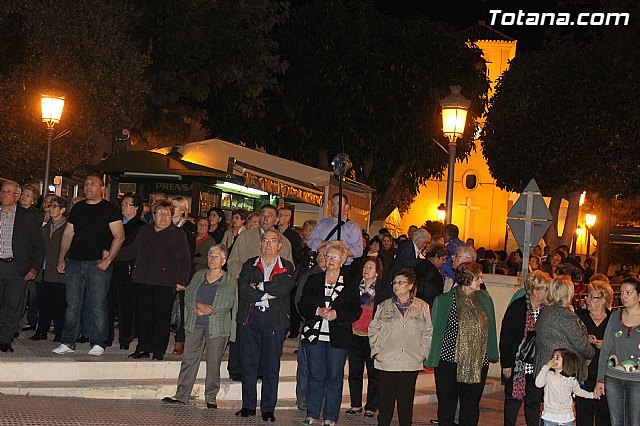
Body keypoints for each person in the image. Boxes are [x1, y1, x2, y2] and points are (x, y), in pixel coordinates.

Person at [53, 176, 124, 356]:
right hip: (75, 262)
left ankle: (98, 342)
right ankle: (68, 341)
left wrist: (108, 260)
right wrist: (61, 258)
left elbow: (119, 236)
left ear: (101, 188)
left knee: (98, 303)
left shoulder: (110, 209)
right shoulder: (78, 208)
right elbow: (68, 234)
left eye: (92, 184)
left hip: (97, 264)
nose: (88, 186)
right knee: (72, 303)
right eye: (86, 184)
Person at [162, 244, 237, 409]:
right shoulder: (199, 275)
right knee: (189, 359)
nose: (211, 259)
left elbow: (227, 301)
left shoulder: (229, 280)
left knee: (213, 361)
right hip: (195, 322)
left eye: (215, 256)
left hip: (217, 326)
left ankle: (211, 397)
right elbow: (188, 294)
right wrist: (199, 305)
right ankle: (182, 395)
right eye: (210, 255)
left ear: (223, 260)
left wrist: (209, 311)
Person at [225, 204, 293, 383]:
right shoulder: (245, 237)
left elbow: (288, 272)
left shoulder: (284, 243)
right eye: (262, 214)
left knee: (268, 339)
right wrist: (244, 282)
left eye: (270, 215)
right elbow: (233, 262)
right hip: (246, 294)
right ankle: (237, 369)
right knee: (240, 330)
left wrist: (267, 287)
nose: (265, 218)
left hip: (272, 303)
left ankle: (262, 370)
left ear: (276, 219)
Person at [426, 262, 498, 426]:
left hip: (477, 362)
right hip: (448, 362)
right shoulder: (444, 301)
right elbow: (435, 331)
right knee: (446, 407)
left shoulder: (485, 299)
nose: (481, 281)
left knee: (470, 408)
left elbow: (491, 328)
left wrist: (492, 352)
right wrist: (430, 356)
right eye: (478, 277)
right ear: (467, 279)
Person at [118, 200, 192, 360]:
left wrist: (182, 281)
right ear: (153, 216)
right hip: (143, 279)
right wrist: (112, 255)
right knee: (143, 315)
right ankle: (143, 347)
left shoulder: (178, 234)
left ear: (172, 216)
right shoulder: (145, 231)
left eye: (167, 214)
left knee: (162, 317)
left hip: (165, 282)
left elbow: (185, 260)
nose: (163, 217)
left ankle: (158, 350)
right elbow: (131, 251)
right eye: (160, 213)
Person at [235, 229, 296, 422]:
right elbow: (244, 290)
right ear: (260, 244)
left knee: (271, 366)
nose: (268, 244)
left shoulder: (286, 267)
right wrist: (267, 294)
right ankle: (248, 406)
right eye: (265, 240)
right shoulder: (250, 264)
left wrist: (259, 286)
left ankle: (268, 408)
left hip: (274, 321)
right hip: (250, 320)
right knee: (248, 364)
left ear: (279, 245)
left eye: (273, 241)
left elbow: (284, 288)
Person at [298, 240, 361, 426]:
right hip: (315, 335)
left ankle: (330, 417)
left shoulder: (349, 282)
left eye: (335, 256)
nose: (331, 260)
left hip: (338, 337)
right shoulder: (314, 280)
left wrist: (337, 314)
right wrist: (317, 311)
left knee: (334, 377)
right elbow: (302, 305)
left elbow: (355, 310)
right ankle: (312, 413)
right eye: (328, 256)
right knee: (315, 375)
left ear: (342, 260)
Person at [369, 268, 433, 426]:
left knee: (406, 401)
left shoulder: (422, 307)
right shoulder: (384, 306)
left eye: (401, 282)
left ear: (411, 285)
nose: (396, 286)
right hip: (387, 360)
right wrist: (377, 351)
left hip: (410, 360)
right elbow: (373, 329)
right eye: (394, 282)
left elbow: (428, 332)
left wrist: (423, 353)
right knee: (385, 401)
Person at [500, 270, 551, 426]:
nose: (547, 292)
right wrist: (507, 364)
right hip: (517, 364)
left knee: (534, 402)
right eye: (545, 289)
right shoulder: (518, 307)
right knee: (513, 401)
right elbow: (506, 336)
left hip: (537, 365)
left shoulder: (546, 310)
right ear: (535, 291)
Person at [0, 181, 44, 353]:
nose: (4, 195)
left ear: (17, 196)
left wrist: (34, 269)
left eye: (9, 192)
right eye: (3, 191)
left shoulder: (28, 217)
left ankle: (5, 339)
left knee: (12, 306)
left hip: (17, 268)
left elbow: (39, 246)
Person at [594, 277, 640, 425]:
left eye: (628, 292)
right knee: (616, 421)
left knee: (635, 422)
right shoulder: (615, 317)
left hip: (637, 380)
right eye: (621, 293)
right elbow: (606, 349)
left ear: (639, 296)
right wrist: (600, 380)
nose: (623, 296)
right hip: (613, 378)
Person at [534, 276, 595, 384]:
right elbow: (580, 342)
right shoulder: (563, 315)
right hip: (563, 370)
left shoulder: (546, 311)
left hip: (549, 367)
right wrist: (591, 354)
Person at [346, 257, 383, 418]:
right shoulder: (354, 287)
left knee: (374, 374)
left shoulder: (382, 290)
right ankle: (355, 404)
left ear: (377, 272)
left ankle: (371, 406)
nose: (367, 269)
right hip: (354, 334)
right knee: (355, 372)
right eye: (365, 266)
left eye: (371, 267)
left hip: (373, 337)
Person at [107, 193, 145, 350]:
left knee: (126, 306)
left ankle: (125, 337)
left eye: (128, 204)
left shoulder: (140, 226)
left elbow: (131, 248)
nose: (123, 207)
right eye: (122, 204)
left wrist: (111, 253)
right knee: (108, 303)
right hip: (111, 267)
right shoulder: (115, 223)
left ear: (136, 208)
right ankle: (106, 337)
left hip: (127, 269)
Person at [575, 280, 613, 426]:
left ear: (603, 300)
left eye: (592, 297)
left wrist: (606, 345)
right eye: (587, 296)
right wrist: (585, 340)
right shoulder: (580, 317)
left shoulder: (613, 319)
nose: (587, 300)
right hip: (584, 376)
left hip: (605, 377)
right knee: (583, 418)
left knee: (605, 417)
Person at [32, 196, 69, 342]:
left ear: (63, 210)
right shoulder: (45, 227)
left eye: (54, 206)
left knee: (60, 303)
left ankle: (59, 332)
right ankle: (42, 331)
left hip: (59, 272)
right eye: (49, 205)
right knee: (43, 302)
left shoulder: (68, 228)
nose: (50, 208)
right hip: (44, 271)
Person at [535, 349, 596, 426]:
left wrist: (592, 395)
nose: (553, 360)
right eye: (553, 357)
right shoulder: (548, 375)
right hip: (550, 416)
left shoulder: (571, 379)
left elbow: (578, 391)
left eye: (557, 357)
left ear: (566, 362)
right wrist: (546, 367)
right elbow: (538, 384)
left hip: (567, 417)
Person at [307, 193, 363, 278]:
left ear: (346, 207)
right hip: (321, 267)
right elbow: (311, 242)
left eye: (338, 203)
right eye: (333, 203)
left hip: (343, 269)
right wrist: (328, 244)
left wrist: (340, 251)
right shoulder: (322, 223)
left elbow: (358, 250)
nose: (334, 206)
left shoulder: (352, 226)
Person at [170, 196, 197, 356]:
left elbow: (189, 254)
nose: (172, 209)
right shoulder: (163, 224)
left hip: (181, 272)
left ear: (183, 210)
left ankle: (180, 341)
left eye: (175, 206)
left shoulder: (188, 227)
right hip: (164, 273)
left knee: (180, 309)